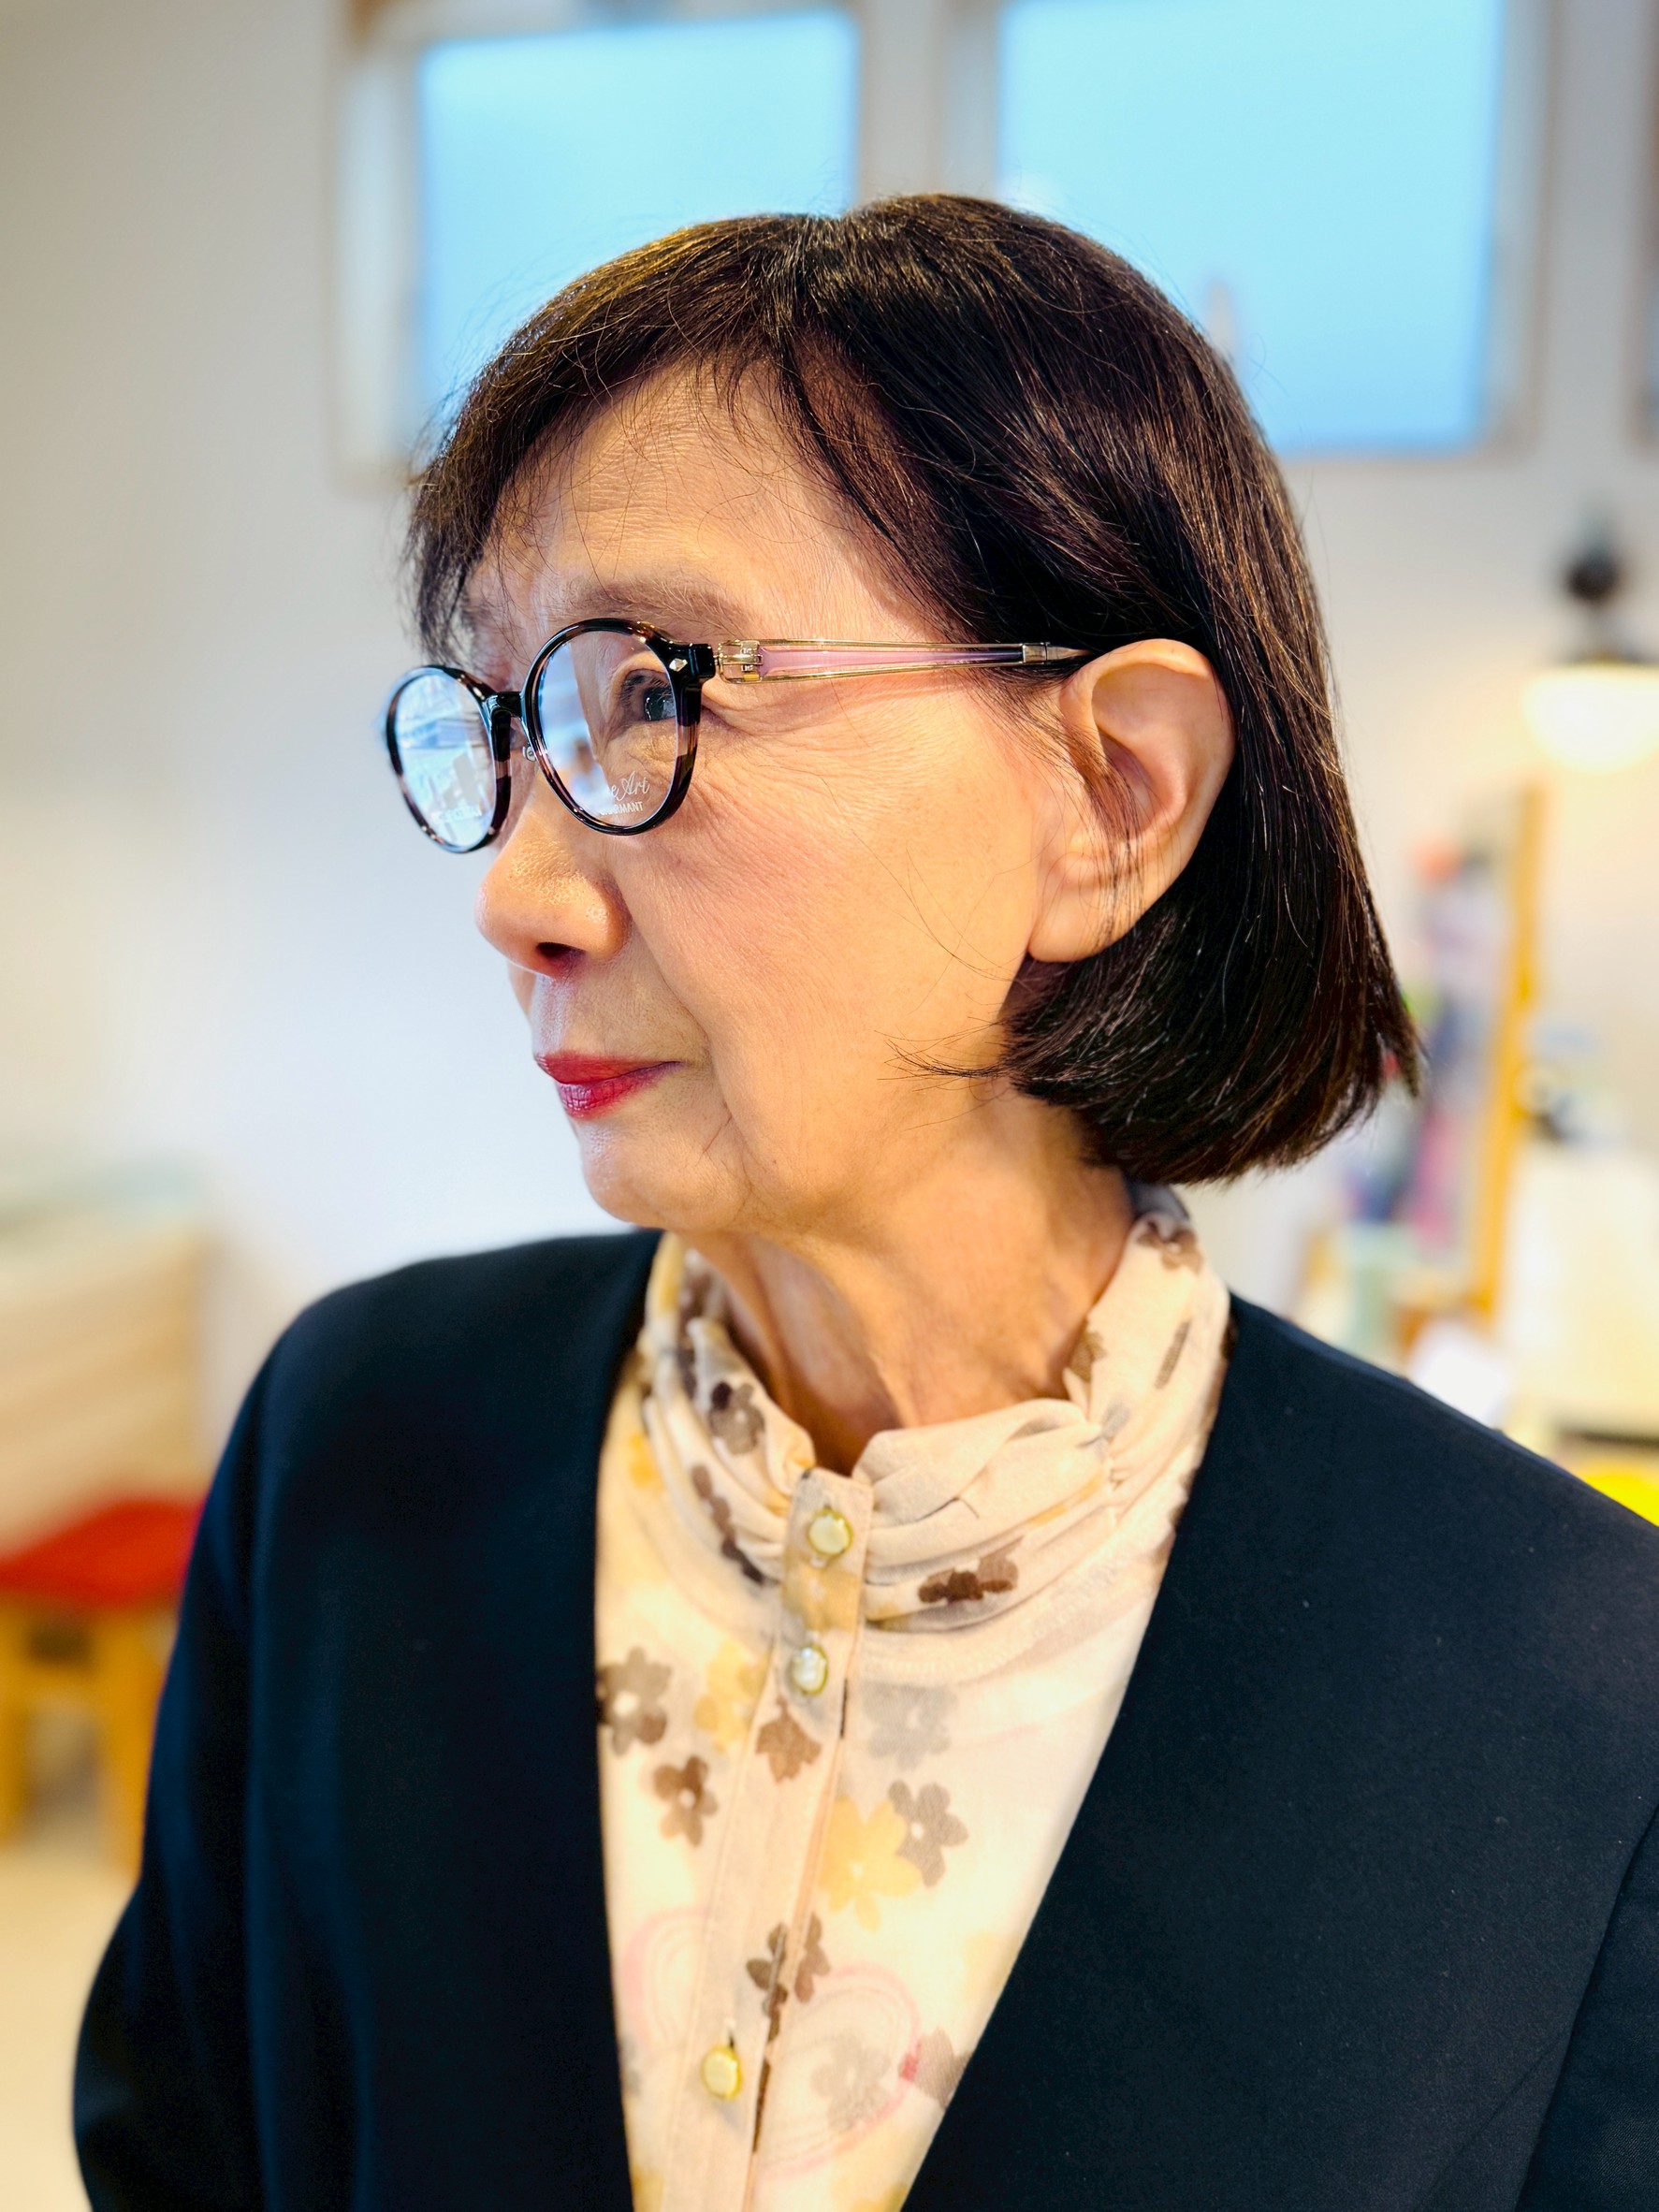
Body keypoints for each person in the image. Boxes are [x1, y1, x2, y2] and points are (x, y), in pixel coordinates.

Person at [75, 197, 1659, 2212]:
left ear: (1111, 797)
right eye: (504, 723)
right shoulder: (357, 1449)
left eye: (651, 696)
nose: (515, 895)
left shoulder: (1567, 1692)